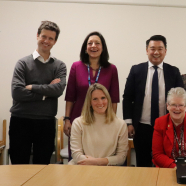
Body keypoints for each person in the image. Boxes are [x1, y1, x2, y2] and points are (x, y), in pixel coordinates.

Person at [9, 21, 66, 164]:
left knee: (42, 168)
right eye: (43, 36)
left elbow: (58, 89)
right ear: (37, 36)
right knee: (18, 167)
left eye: (51, 38)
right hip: (20, 121)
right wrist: (47, 91)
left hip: (46, 123)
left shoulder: (59, 66)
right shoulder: (22, 63)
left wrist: (31, 87)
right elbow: (17, 92)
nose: (46, 41)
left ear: (55, 41)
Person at [122, 35, 184, 167]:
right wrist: (128, 123)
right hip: (142, 126)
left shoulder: (174, 71)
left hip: (167, 126)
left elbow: (181, 99)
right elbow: (127, 97)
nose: (156, 52)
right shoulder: (136, 70)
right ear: (146, 50)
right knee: (143, 163)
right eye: (152, 48)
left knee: (165, 163)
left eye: (160, 49)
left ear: (165, 51)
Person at [64, 31, 120, 159]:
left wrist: (111, 122)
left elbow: (114, 99)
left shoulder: (112, 69)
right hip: (79, 118)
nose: (93, 46)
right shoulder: (76, 66)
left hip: (102, 120)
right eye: (90, 43)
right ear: (85, 48)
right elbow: (70, 96)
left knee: (100, 156)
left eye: (97, 43)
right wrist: (67, 119)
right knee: (78, 158)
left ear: (103, 47)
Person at [69, 83, 128, 166]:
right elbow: (76, 155)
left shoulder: (120, 125)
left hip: (108, 170)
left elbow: (121, 158)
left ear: (108, 99)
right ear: (89, 102)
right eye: (95, 99)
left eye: (103, 98)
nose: (100, 102)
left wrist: (97, 162)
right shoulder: (78, 123)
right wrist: (93, 163)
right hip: (82, 167)